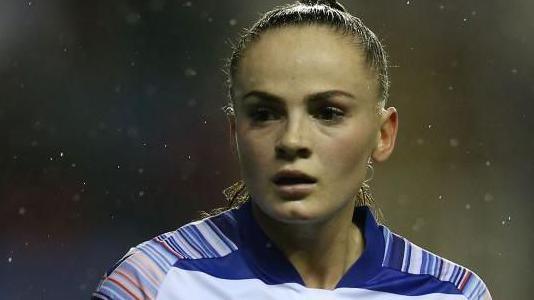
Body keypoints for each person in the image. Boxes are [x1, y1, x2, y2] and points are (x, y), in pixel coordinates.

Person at [93, 0, 492, 299]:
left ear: (383, 134)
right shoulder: (152, 283)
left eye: (328, 112)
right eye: (265, 114)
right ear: (234, 133)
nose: (292, 141)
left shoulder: (451, 293)